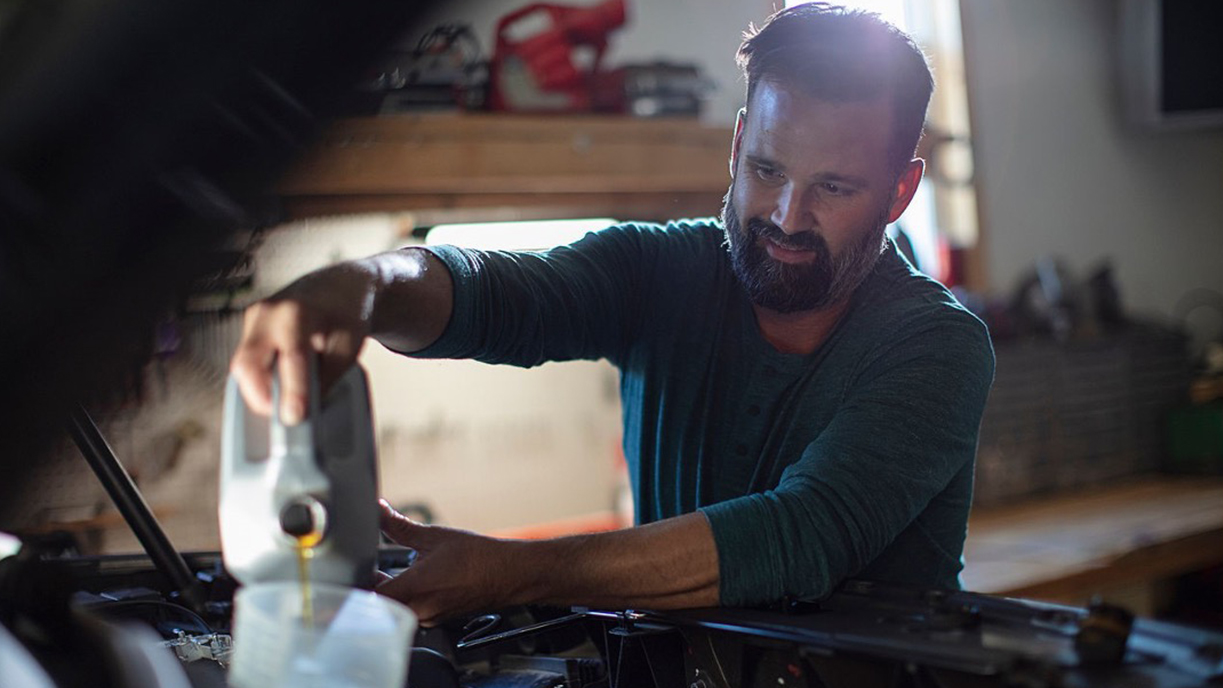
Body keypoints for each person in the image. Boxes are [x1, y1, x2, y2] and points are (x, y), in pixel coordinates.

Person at [231, 3, 994, 626]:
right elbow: (498, 297)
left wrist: (517, 573)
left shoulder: (937, 345)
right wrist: (362, 287)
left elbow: (798, 536)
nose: (786, 218)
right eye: (766, 170)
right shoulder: (656, 270)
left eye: (833, 189)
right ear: (736, 148)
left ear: (900, 192)